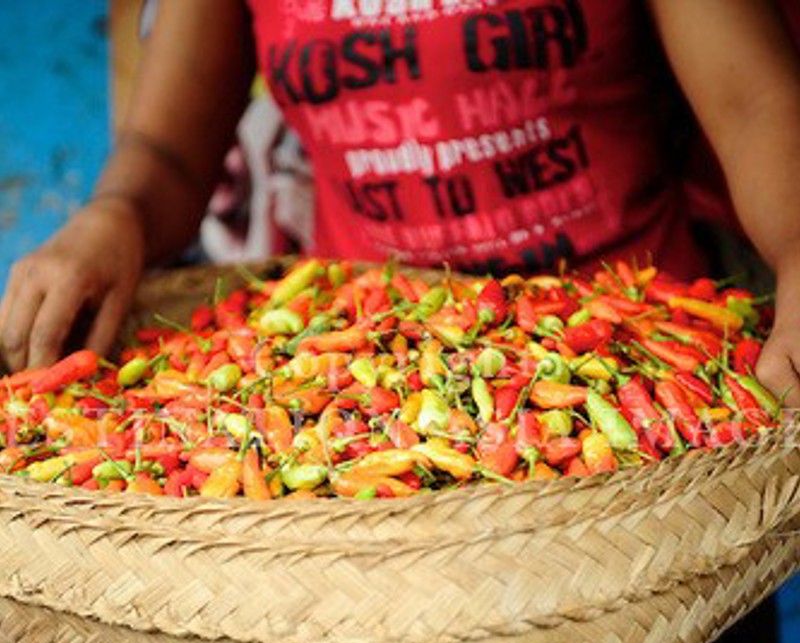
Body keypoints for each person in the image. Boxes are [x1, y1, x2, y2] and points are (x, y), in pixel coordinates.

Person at [2, 0, 800, 408]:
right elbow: (169, 154)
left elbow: (756, 103)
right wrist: (116, 218)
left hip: (638, 376)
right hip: (363, 395)